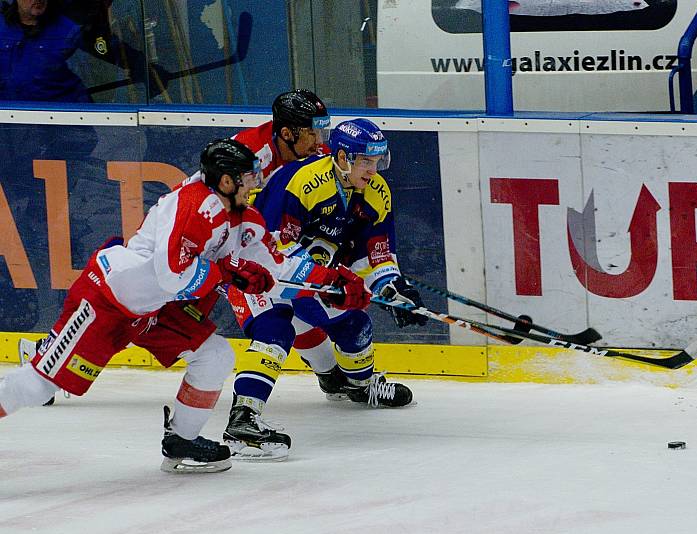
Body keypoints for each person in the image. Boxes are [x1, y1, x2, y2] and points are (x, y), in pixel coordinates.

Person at [0, 138, 366, 473]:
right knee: (38, 387)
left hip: (153, 312)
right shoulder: (191, 205)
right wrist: (226, 272)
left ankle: (181, 441)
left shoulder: (243, 219)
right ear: (225, 182)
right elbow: (171, 273)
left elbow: (279, 266)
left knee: (216, 355)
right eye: (248, 177)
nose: (255, 183)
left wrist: (332, 282)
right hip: (106, 301)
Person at [222, 118, 428, 461]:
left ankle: (357, 387)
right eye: (365, 161)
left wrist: (392, 285)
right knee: (275, 330)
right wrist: (328, 280)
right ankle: (242, 420)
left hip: (311, 277)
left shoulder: (376, 192)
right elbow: (272, 249)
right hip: (255, 271)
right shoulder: (301, 182)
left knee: (355, 325)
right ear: (343, 157)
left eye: (377, 161)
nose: (372, 170)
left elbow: (375, 252)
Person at [0, 0, 163, 102]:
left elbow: (109, 49)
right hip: (11, 133)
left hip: (56, 131)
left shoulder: (67, 30)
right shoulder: (2, 28)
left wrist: (144, 68)